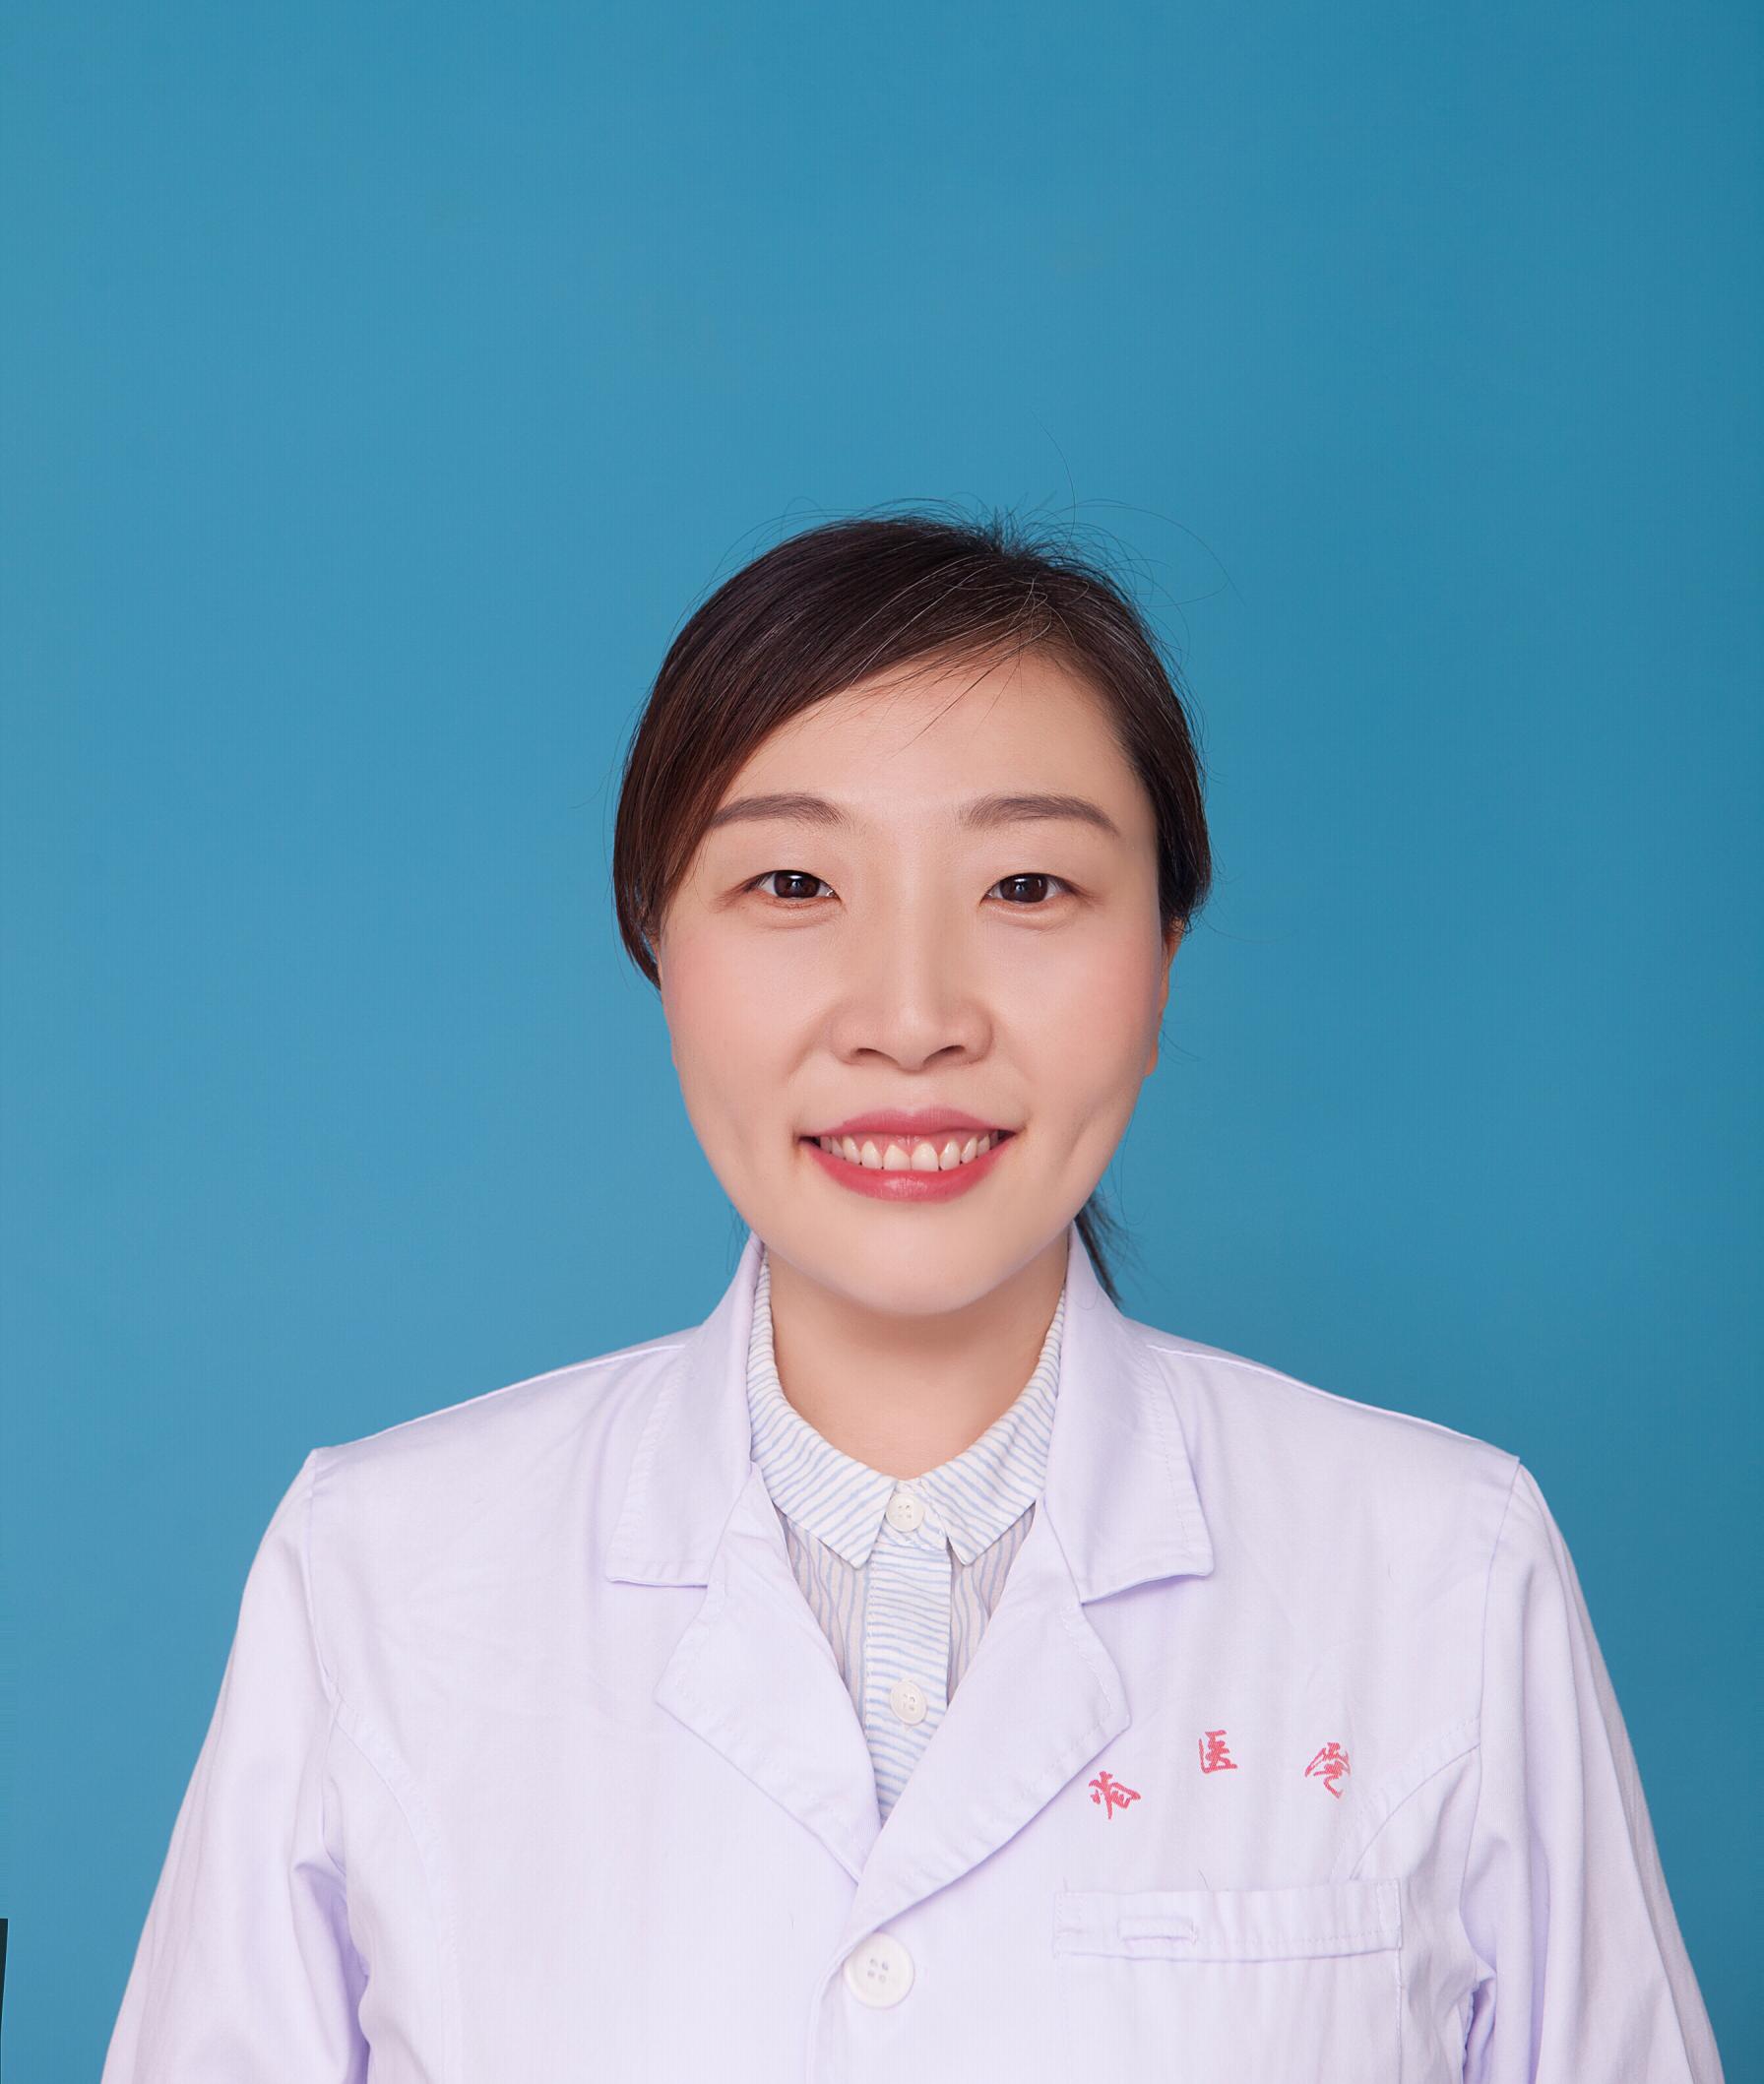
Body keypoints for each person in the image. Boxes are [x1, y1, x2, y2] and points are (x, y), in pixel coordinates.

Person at [101, 511, 1724, 2081]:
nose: (910, 1014)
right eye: (793, 885)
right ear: (659, 947)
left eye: (1026, 888)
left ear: (1163, 954)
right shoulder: (380, 1578)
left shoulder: (1444, 1572)